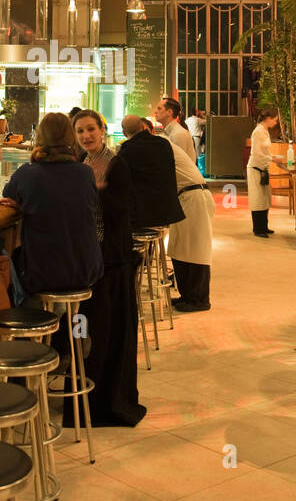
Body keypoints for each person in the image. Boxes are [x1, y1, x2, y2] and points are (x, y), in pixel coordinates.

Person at [71, 110, 146, 426]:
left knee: (111, 332)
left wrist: (95, 193)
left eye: (91, 129)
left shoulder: (116, 164)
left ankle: (111, 403)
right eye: (80, 131)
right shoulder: (84, 166)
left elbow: (121, 211)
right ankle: (89, 401)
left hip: (113, 261)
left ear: (103, 130)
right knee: (92, 334)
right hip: (93, 260)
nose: (86, 136)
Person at [0, 112, 103, 298]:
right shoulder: (86, 173)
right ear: (71, 137)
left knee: (3, 254)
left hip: (43, 276)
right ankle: (63, 322)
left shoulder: (27, 174)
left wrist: (21, 204)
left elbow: (7, 196)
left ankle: (28, 316)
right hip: (88, 270)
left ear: (39, 137)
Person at [156, 128, 215, 312]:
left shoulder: (162, 144)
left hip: (194, 196)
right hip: (185, 198)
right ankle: (187, 295)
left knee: (196, 251)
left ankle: (199, 300)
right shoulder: (161, 146)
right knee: (180, 249)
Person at [117, 114, 184, 231]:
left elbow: (122, 182)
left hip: (144, 216)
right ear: (143, 127)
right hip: (169, 211)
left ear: (124, 133)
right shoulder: (164, 144)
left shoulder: (126, 150)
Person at [248, 107, 282, 237]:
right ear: (268, 119)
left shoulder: (264, 131)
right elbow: (257, 153)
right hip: (256, 168)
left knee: (264, 198)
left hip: (263, 168)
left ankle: (264, 226)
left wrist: (271, 158)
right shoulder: (258, 132)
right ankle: (258, 229)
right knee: (257, 199)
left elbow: (264, 151)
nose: (275, 123)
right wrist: (272, 158)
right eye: (274, 120)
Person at [154, 97, 197, 161]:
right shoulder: (164, 132)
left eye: (159, 109)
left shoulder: (179, 133)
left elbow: (178, 162)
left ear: (169, 112)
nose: (155, 112)